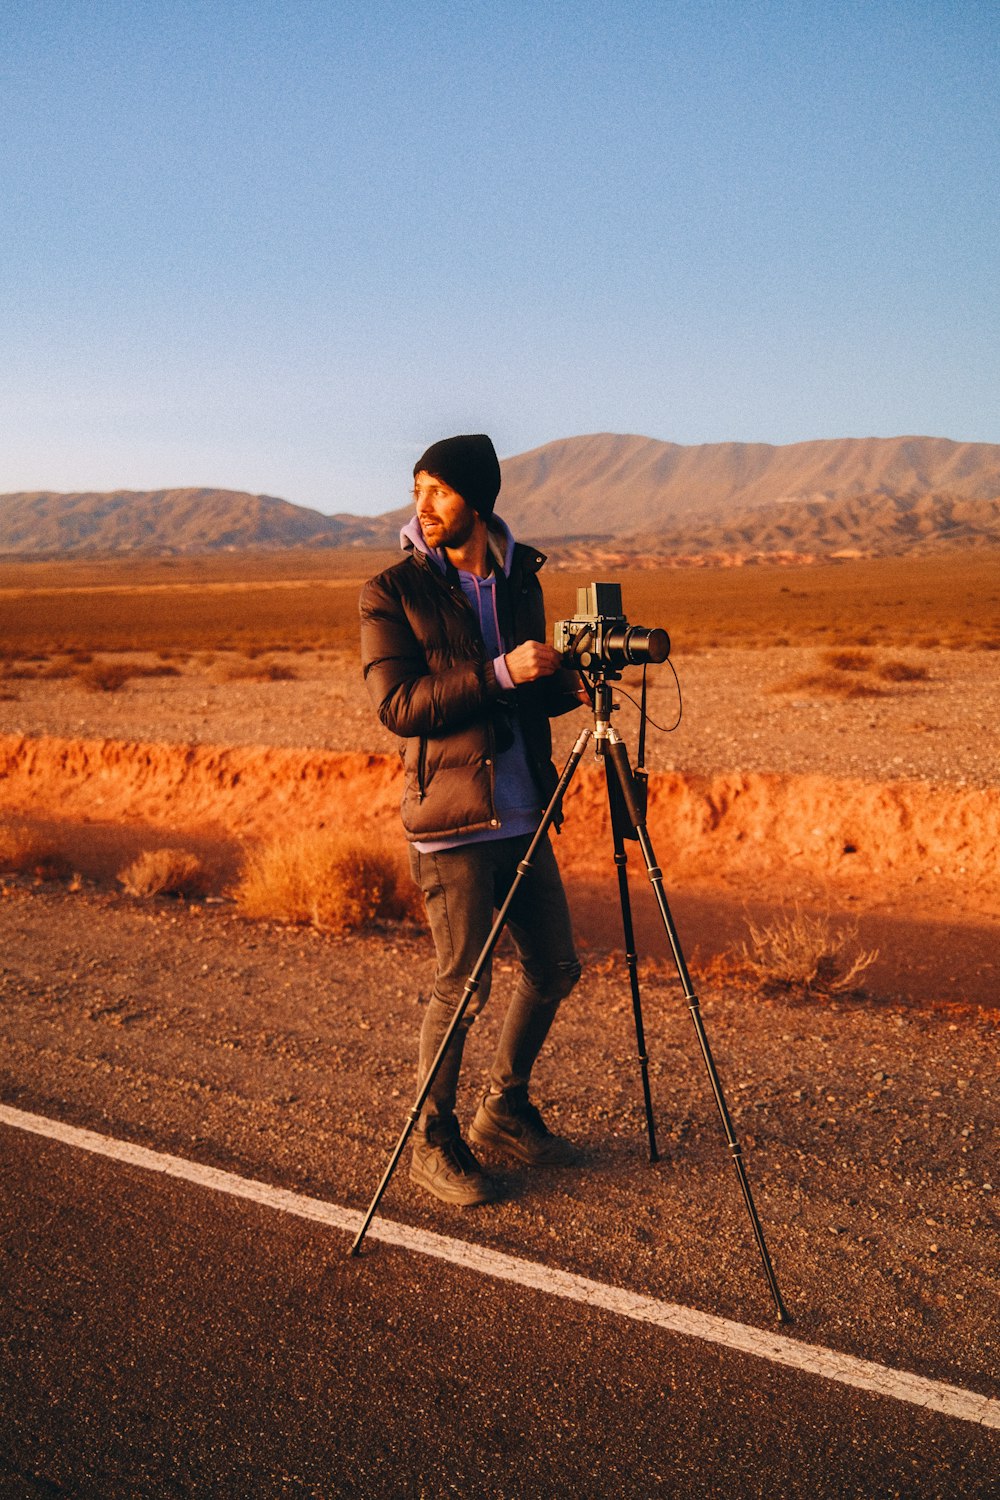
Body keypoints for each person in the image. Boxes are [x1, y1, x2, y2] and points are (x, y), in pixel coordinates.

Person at [359, 433, 584, 1207]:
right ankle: (432, 1139)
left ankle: (505, 1108)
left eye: (440, 490)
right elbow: (400, 707)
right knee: (462, 984)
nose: (423, 503)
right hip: (452, 821)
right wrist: (498, 671)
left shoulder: (522, 574)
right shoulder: (391, 590)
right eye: (418, 487)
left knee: (555, 965)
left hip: (523, 808)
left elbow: (530, 690)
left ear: (478, 500)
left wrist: (570, 683)